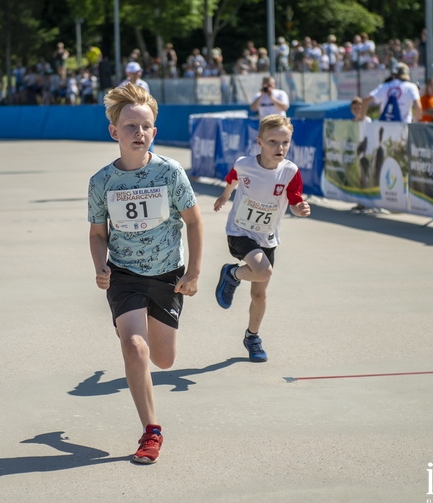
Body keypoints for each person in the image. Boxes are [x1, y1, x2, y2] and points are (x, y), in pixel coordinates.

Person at [87, 83, 203, 464]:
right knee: (135, 347)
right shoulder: (102, 181)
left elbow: (194, 221)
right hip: (124, 275)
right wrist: (100, 265)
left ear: (155, 131)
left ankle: (140, 324)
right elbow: (98, 233)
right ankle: (151, 431)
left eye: (146, 126)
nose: (139, 133)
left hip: (168, 274)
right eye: (130, 126)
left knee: (164, 360)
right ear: (113, 132)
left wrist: (195, 271)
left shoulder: (170, 172)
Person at [213, 114, 311, 362]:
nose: (279, 148)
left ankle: (252, 337)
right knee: (264, 271)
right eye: (272, 142)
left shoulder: (290, 171)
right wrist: (225, 196)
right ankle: (232, 273)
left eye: (285, 142)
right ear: (259, 142)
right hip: (239, 231)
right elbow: (232, 179)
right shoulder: (244, 164)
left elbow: (295, 198)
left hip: (267, 236)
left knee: (260, 295)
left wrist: (299, 209)